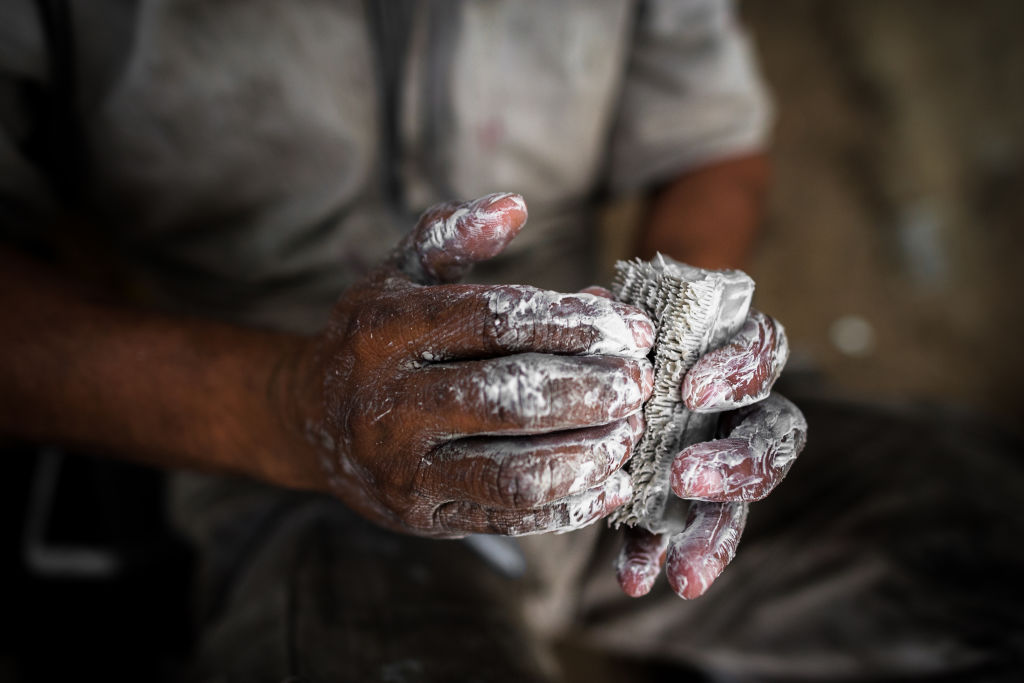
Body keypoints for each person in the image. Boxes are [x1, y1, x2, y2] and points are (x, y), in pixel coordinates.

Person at [2, 1, 1021, 681]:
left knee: (986, 531)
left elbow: (710, 140)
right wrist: (295, 406)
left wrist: (679, 352)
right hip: (281, 434)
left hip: (610, 384)